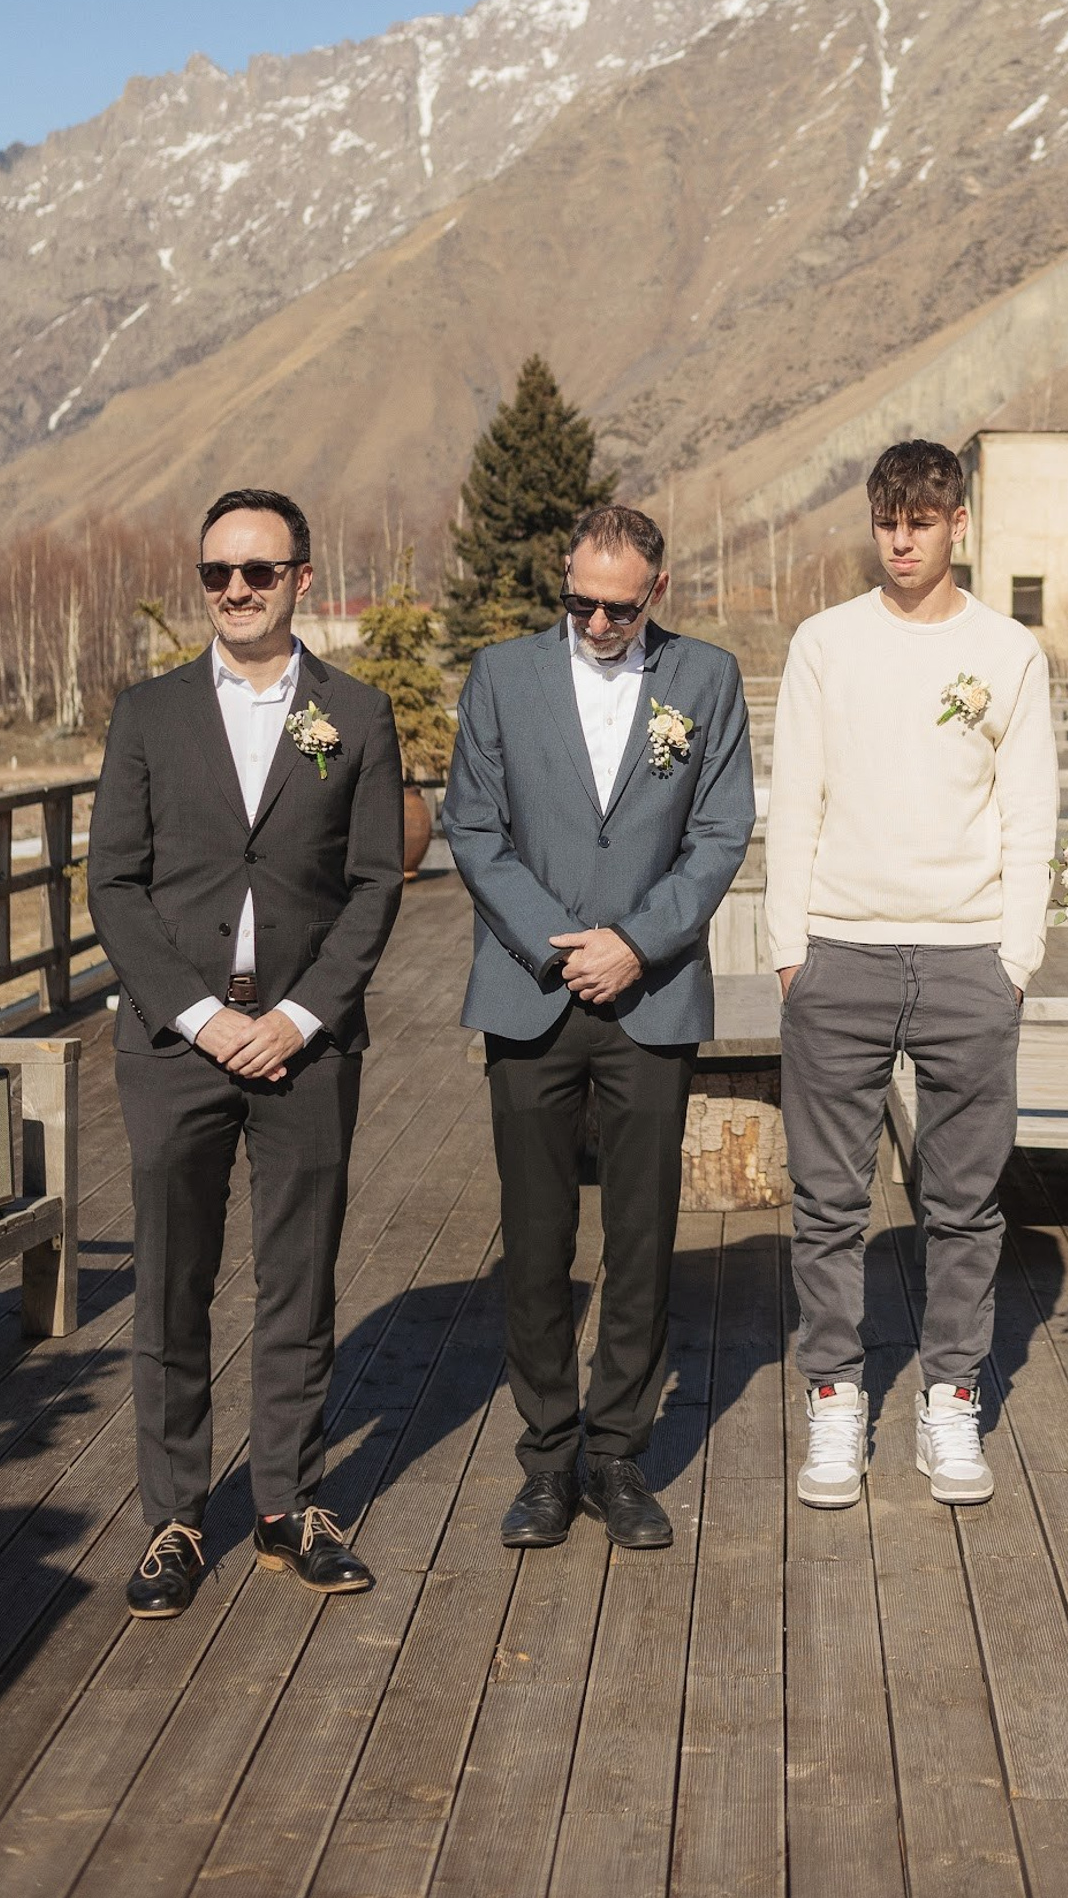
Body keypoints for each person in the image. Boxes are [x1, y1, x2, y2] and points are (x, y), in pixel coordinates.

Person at [88, 487, 404, 1619]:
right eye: (217, 572)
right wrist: (195, 1013)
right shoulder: (149, 712)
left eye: (258, 573)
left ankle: (290, 1502)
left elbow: (373, 885)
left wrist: (302, 1016)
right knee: (173, 1286)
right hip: (177, 1045)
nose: (234, 590)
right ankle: (176, 1517)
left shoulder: (356, 717)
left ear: (300, 582)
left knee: (297, 1278)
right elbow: (113, 886)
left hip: (307, 1047)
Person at [442, 503, 753, 1551]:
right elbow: (474, 828)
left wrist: (637, 943)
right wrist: (559, 943)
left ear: (654, 593)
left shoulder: (706, 680)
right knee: (535, 1242)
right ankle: (546, 1459)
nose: (597, 622)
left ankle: (618, 1454)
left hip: (650, 997)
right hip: (531, 994)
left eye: (618, 607)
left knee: (643, 1236)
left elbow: (719, 832)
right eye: (578, 601)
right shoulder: (501, 675)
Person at [768, 438, 1058, 1511]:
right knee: (829, 1202)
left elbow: (1032, 815)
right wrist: (792, 949)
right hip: (839, 953)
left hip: (969, 958)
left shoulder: (1009, 651)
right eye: (889, 519)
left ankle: (951, 1399)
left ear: (958, 526)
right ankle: (837, 1400)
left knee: (967, 1204)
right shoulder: (824, 644)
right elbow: (795, 797)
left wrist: (1015, 961)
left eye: (923, 520)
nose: (902, 539)